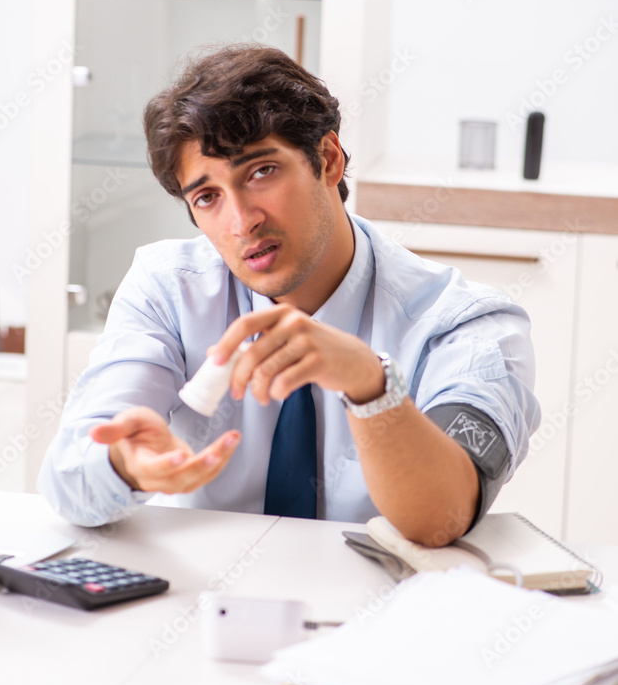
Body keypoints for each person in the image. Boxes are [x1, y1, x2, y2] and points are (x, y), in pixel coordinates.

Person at [38, 44, 540, 545]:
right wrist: (124, 466)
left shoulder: (465, 325)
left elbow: (443, 518)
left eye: (260, 172)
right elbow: (67, 479)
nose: (242, 221)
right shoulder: (168, 290)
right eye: (207, 197)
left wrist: (370, 385)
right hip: (207, 601)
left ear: (327, 159)